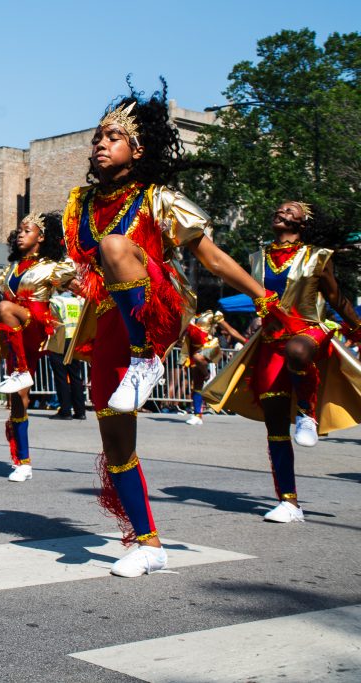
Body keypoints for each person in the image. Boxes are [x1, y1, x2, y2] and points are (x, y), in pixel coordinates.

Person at [62, 82, 283, 577]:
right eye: (98, 136)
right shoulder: (79, 203)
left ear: (137, 151)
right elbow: (83, 263)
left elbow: (214, 258)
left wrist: (262, 296)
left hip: (159, 308)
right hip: (109, 322)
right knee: (116, 443)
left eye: (114, 137)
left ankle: (147, 360)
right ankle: (148, 544)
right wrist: (72, 276)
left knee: (118, 246)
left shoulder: (156, 197)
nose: (101, 143)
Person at [203, 201, 361, 522]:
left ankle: (307, 412)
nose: (281, 212)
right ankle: (289, 502)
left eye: (291, 211)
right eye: (279, 209)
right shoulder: (257, 260)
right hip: (270, 343)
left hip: (307, 333)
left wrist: (358, 328)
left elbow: (336, 300)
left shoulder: (318, 257)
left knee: (297, 353)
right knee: (274, 425)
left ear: (303, 223)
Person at [0, 212, 75, 481]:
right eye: (18, 230)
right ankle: (23, 463)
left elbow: (78, 283)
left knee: (4, 306)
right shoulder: (11, 270)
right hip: (16, 334)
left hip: (38, 324)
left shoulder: (52, 266)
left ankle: (20, 370)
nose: (20, 234)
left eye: (26, 230)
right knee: (18, 399)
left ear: (40, 237)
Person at [179, 310, 244, 426]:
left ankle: (207, 374)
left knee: (197, 358)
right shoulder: (188, 315)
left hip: (210, 347)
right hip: (194, 349)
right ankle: (197, 415)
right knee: (197, 384)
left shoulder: (213, 314)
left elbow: (230, 331)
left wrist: (246, 341)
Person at [46, 291, 87, 420]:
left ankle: (65, 411)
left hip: (60, 339)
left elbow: (51, 323)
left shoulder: (55, 302)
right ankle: (80, 411)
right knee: (76, 377)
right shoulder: (78, 302)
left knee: (61, 376)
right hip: (74, 340)